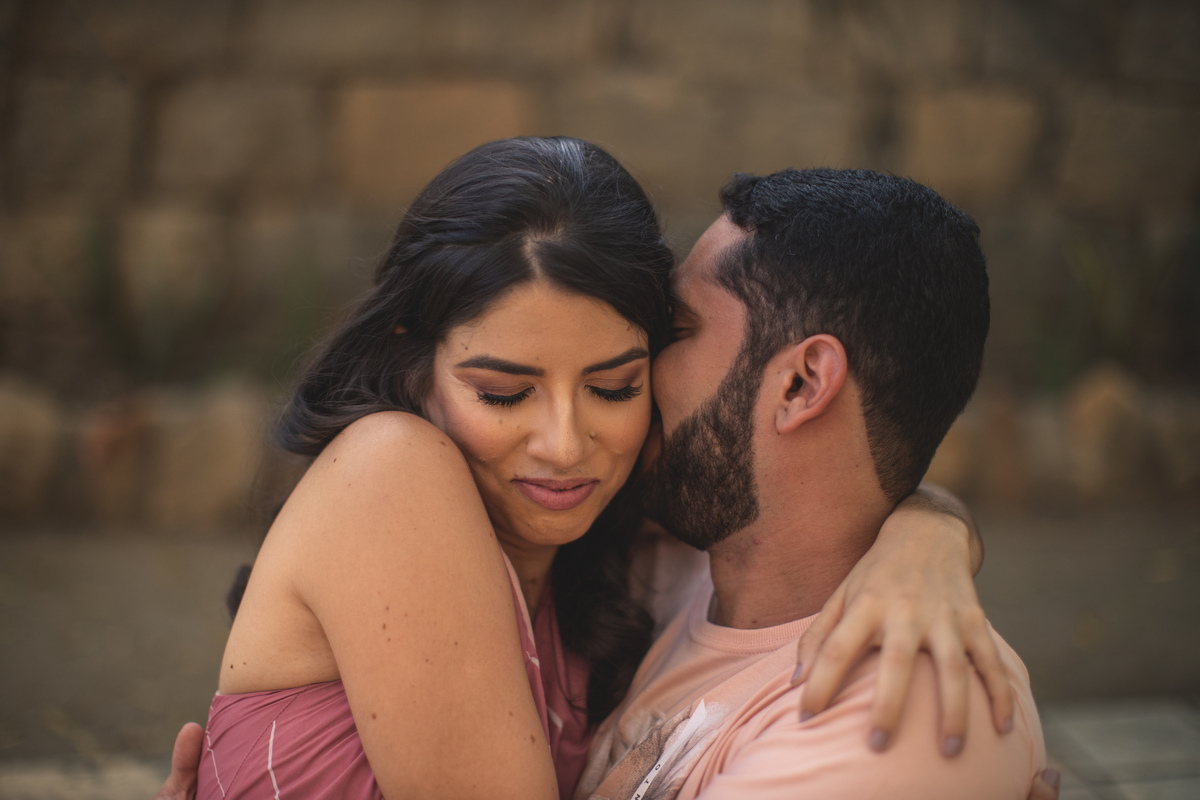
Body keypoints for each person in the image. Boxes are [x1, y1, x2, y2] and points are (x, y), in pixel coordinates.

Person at [155, 140, 1056, 800]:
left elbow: (828, 511)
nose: (565, 442)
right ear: (414, 360)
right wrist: (932, 533)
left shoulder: (640, 559)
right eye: (504, 392)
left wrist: (928, 531)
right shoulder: (398, 473)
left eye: (621, 380)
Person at [578, 167, 1051, 799]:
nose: (640, 362)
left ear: (801, 384)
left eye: (680, 330)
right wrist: (935, 525)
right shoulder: (679, 571)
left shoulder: (902, 713)